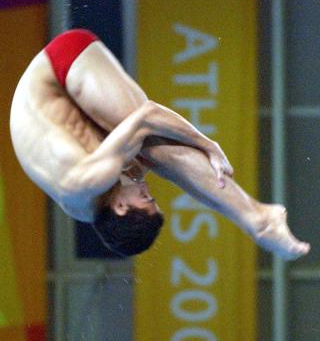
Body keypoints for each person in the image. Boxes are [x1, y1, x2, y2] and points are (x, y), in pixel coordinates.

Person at [10, 29, 310, 260]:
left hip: (61, 65)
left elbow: (148, 115)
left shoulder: (87, 180)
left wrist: (208, 145)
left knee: (157, 148)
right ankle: (256, 218)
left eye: (146, 199)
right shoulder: (91, 209)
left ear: (121, 206)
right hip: (55, 110)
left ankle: (260, 220)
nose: (148, 192)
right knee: (149, 159)